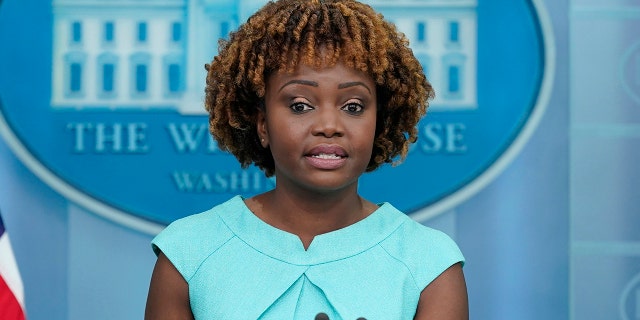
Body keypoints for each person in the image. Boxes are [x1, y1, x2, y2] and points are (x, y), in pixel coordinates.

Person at [145, 0, 468, 319]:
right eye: (300, 105)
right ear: (262, 124)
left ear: (379, 123)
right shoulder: (188, 254)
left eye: (353, 106)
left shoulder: (429, 264)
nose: (329, 126)